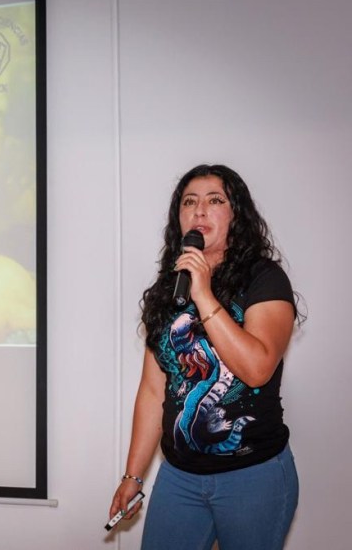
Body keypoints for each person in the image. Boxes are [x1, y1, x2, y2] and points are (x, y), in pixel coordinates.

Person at [109, 164, 303, 549]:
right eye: (189, 202)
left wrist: (204, 294)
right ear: (178, 218)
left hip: (253, 475)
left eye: (215, 200)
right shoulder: (170, 288)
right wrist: (132, 476)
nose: (199, 210)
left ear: (236, 216)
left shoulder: (264, 279)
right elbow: (153, 390)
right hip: (179, 477)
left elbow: (257, 368)